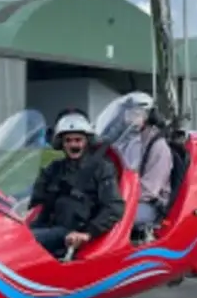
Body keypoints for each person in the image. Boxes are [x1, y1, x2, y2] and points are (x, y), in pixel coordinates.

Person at [28, 110, 125, 257]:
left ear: (86, 142)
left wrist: (88, 233)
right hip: (48, 226)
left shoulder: (102, 168)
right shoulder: (54, 168)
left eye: (78, 140)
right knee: (11, 236)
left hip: (73, 232)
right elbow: (35, 195)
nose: (73, 144)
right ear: (62, 143)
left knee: (27, 240)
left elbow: (114, 207)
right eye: (68, 140)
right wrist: (13, 202)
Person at [115, 93, 173, 229]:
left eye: (135, 113)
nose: (129, 118)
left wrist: (118, 198)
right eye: (127, 113)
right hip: (124, 199)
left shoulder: (158, 146)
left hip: (149, 205)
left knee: (113, 218)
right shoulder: (129, 141)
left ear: (148, 117)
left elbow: (149, 190)